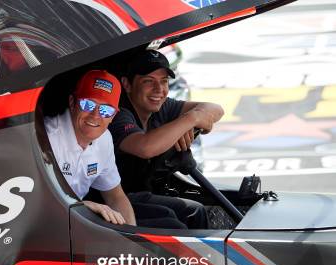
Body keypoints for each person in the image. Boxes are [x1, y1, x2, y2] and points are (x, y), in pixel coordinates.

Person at [109, 49, 224, 229]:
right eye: (148, 81)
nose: (159, 90)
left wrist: (186, 123)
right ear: (127, 84)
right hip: (112, 200)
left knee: (196, 210)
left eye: (164, 81)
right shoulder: (117, 113)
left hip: (144, 193)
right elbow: (145, 147)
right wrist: (190, 120)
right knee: (172, 222)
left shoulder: (162, 106)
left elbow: (215, 109)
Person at [44, 70, 136, 226]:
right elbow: (29, 198)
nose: (95, 115)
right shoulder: (47, 136)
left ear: (113, 116)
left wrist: (133, 239)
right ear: (73, 102)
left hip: (71, 221)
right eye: (88, 104)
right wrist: (79, 206)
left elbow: (115, 196)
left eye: (106, 110)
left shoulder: (105, 138)